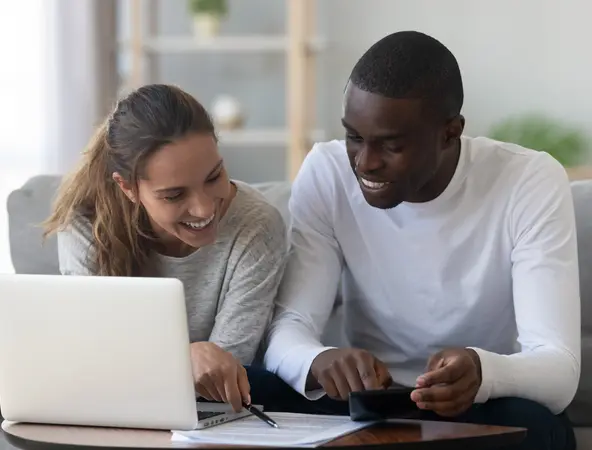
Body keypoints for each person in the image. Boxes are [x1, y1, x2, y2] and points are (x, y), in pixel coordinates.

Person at [263, 31, 580, 450]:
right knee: (248, 388)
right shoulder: (327, 173)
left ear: (451, 133)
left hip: (475, 406)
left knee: (539, 427)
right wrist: (318, 360)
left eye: (391, 145)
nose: (365, 163)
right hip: (364, 403)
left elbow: (559, 369)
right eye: (354, 137)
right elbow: (289, 328)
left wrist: (483, 372)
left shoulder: (528, 180)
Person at [44, 83, 289, 413]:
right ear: (128, 188)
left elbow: (223, 371)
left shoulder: (257, 225)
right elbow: (90, 358)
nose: (204, 209)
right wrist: (180, 358)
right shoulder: (87, 223)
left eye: (214, 176)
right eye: (174, 195)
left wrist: (154, 362)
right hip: (110, 410)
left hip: (210, 416)